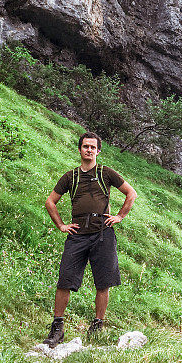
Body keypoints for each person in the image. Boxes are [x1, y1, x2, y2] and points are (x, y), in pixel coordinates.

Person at [42, 131, 137, 347]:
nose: (89, 150)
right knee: (65, 280)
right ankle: (57, 328)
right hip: (77, 235)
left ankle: (97, 327)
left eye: (93, 147)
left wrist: (120, 216)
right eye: (86, 146)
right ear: (80, 149)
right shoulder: (70, 177)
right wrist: (61, 225)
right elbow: (50, 202)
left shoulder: (106, 173)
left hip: (103, 234)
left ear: (98, 151)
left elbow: (131, 194)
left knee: (103, 282)